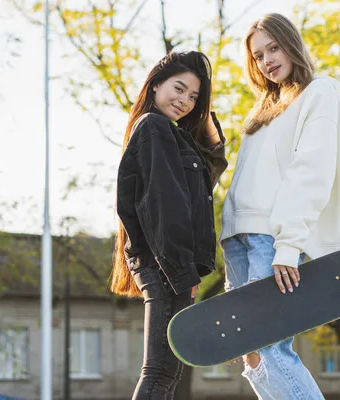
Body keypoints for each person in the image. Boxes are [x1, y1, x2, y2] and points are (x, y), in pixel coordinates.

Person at [219, 13, 340, 399]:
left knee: (270, 348)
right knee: (250, 353)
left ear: (292, 44)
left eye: (273, 47)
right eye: (257, 55)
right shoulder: (263, 110)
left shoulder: (317, 94)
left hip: (272, 238)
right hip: (238, 238)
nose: (267, 60)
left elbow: (310, 173)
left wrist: (289, 246)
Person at [110, 51, 228, 400]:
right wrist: (182, 273)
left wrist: (204, 113)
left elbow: (211, 170)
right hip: (165, 264)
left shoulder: (171, 135)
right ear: (156, 84)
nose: (185, 101)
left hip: (166, 263)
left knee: (167, 374)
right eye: (179, 89)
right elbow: (164, 204)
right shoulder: (154, 127)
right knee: (160, 371)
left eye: (193, 97)